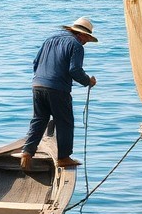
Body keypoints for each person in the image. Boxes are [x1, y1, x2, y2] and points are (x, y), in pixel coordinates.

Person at [20, 17, 98, 171]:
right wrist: (88, 81)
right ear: (81, 35)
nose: (86, 43)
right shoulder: (76, 45)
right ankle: (63, 157)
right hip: (57, 89)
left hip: (37, 85)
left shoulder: (49, 40)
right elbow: (74, 70)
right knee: (65, 121)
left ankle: (27, 153)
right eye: (87, 39)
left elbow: (35, 62)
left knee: (39, 119)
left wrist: (42, 79)